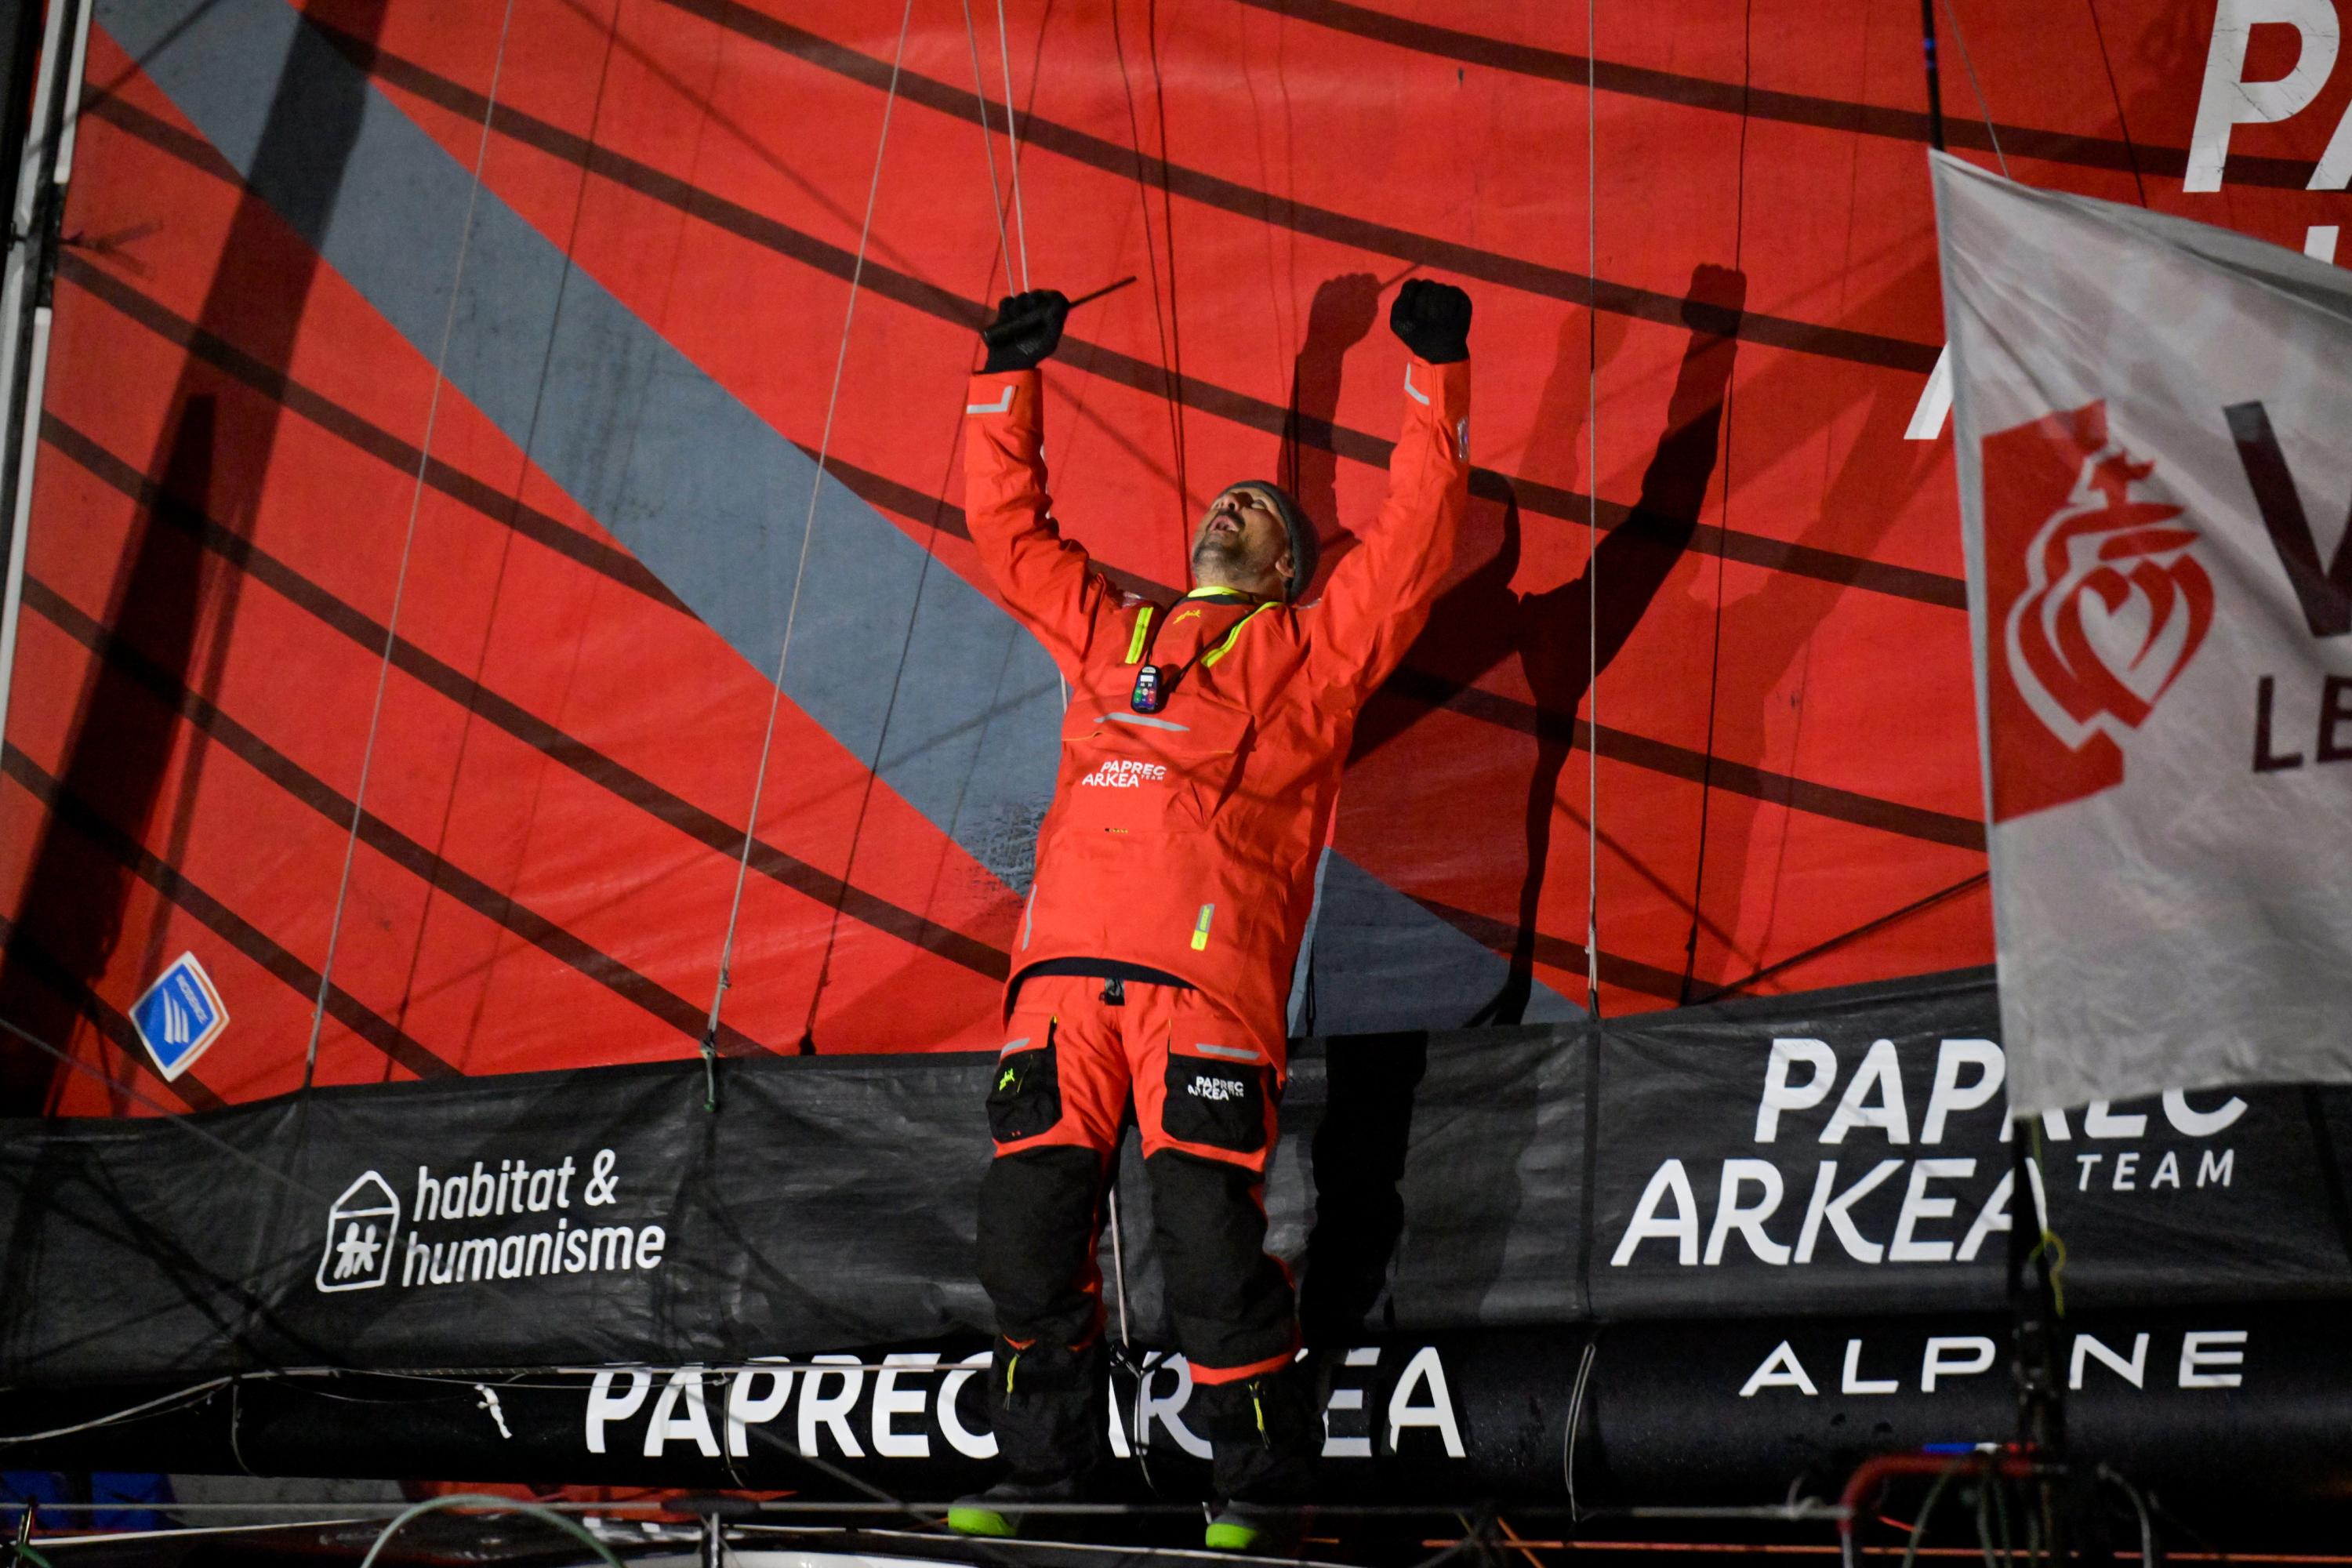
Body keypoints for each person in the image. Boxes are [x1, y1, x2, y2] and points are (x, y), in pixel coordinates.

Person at [949, 278, 1472, 1551]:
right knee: (1025, 1244)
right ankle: (1044, 1476)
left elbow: (1411, 539)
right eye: (1222, 499)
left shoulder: (1315, 654)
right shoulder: (1112, 633)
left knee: (1208, 1255)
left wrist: (1433, 375)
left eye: (1264, 510)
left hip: (1205, 997)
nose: (1235, 502)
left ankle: (1259, 1494)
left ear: (1288, 566)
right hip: (1062, 986)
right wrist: (1005, 380)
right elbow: (1011, 533)